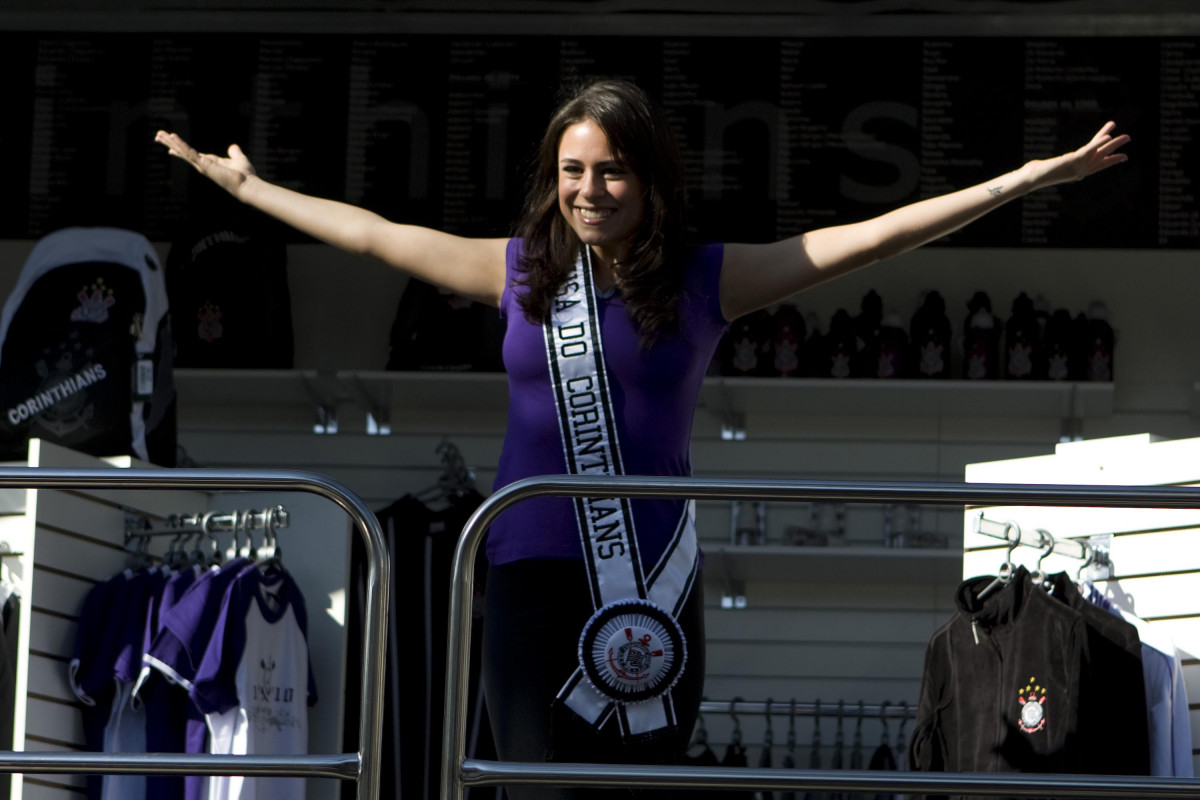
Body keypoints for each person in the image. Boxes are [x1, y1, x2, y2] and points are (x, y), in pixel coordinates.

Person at [155, 78, 1129, 799]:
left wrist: (1031, 177)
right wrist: (250, 191)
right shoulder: (517, 275)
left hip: (652, 594)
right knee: (534, 788)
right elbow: (369, 231)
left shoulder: (709, 278)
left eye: (611, 169)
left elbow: (872, 237)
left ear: (648, 177)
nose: (589, 189)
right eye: (572, 171)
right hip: (530, 587)